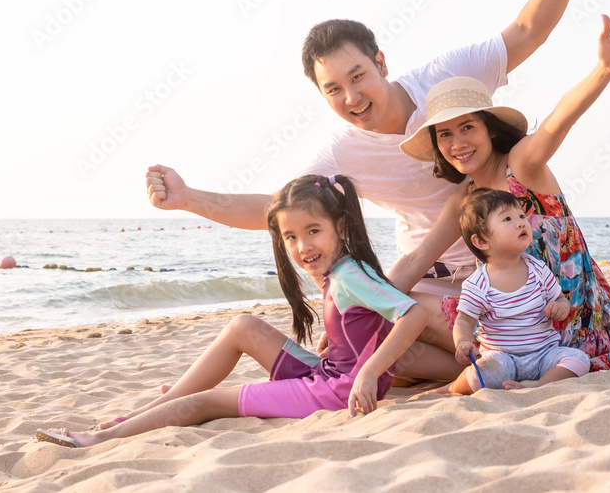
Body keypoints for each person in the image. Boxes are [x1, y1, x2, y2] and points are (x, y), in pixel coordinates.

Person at [147, 0, 600, 352]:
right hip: (431, 280)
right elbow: (275, 208)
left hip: (510, 267)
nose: (352, 98)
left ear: (381, 63)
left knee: (384, 334)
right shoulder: (344, 153)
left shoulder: (447, 82)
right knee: (367, 337)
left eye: (358, 76)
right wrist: (189, 199)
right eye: (334, 89)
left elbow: (526, 31)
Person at [34, 174, 432, 448]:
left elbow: (412, 315)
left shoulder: (350, 276)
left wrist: (369, 371)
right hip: (327, 376)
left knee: (204, 403)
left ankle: (99, 439)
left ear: (340, 227)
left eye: (313, 231)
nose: (302, 246)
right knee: (243, 325)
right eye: (291, 236)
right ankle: (147, 411)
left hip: (335, 392)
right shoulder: (338, 270)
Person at [397, 2, 610, 370]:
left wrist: (604, 70)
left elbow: (558, 121)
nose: (457, 142)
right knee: (396, 336)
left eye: (467, 128)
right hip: (513, 328)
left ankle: (496, 370)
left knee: (409, 314)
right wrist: (352, 309)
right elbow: (417, 258)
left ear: (489, 128)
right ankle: (483, 371)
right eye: (445, 134)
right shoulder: (466, 198)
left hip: (565, 323)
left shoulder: (521, 164)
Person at [436, 188, 591, 394]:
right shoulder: (478, 284)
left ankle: (537, 386)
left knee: (579, 360)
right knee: (479, 375)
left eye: (520, 215)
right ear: (481, 241)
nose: (520, 222)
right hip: (502, 358)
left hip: (544, 354)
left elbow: (561, 299)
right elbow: (464, 320)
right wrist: (463, 341)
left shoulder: (537, 268)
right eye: (507, 218)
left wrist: (559, 307)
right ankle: (453, 387)